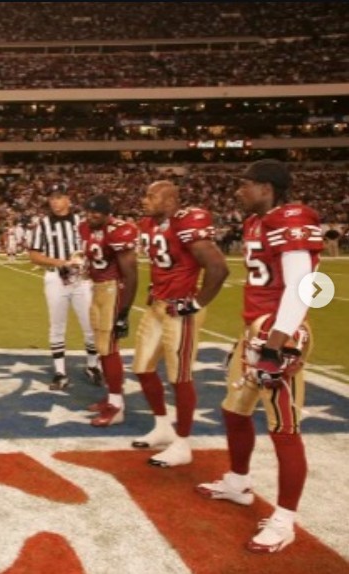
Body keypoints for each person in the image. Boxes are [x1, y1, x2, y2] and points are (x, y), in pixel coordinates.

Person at [197, 159, 324, 553]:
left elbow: (303, 285)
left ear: (267, 187)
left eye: (244, 184)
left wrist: (278, 342)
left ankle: (285, 519)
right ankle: (238, 481)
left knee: (284, 427)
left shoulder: (291, 217)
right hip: (255, 329)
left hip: (278, 334)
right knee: (234, 410)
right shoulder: (257, 222)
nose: (238, 191)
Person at [131, 180, 229, 467]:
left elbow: (218, 267)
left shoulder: (187, 221)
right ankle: (162, 426)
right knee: (142, 367)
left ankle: (183, 443)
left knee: (180, 376)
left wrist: (195, 303)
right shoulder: (149, 224)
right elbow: (163, 263)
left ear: (171, 200)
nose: (145, 200)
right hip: (159, 305)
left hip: (181, 308)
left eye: (151, 195)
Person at [29, 183, 102, 389]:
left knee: (90, 324)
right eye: (52, 198)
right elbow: (34, 255)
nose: (55, 201)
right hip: (55, 278)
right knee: (57, 325)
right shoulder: (43, 224)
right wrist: (60, 263)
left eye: (59, 197)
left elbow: (95, 247)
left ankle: (92, 365)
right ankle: (60, 372)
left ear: (69, 199)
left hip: (82, 279)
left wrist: (88, 264)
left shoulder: (83, 222)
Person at [78, 195, 139, 427]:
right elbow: (94, 258)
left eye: (97, 213)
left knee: (109, 347)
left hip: (113, 289)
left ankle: (117, 407)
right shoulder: (85, 228)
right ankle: (112, 396)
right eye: (88, 212)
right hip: (97, 288)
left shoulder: (119, 230)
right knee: (102, 346)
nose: (91, 216)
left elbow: (131, 274)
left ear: (107, 214)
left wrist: (124, 311)